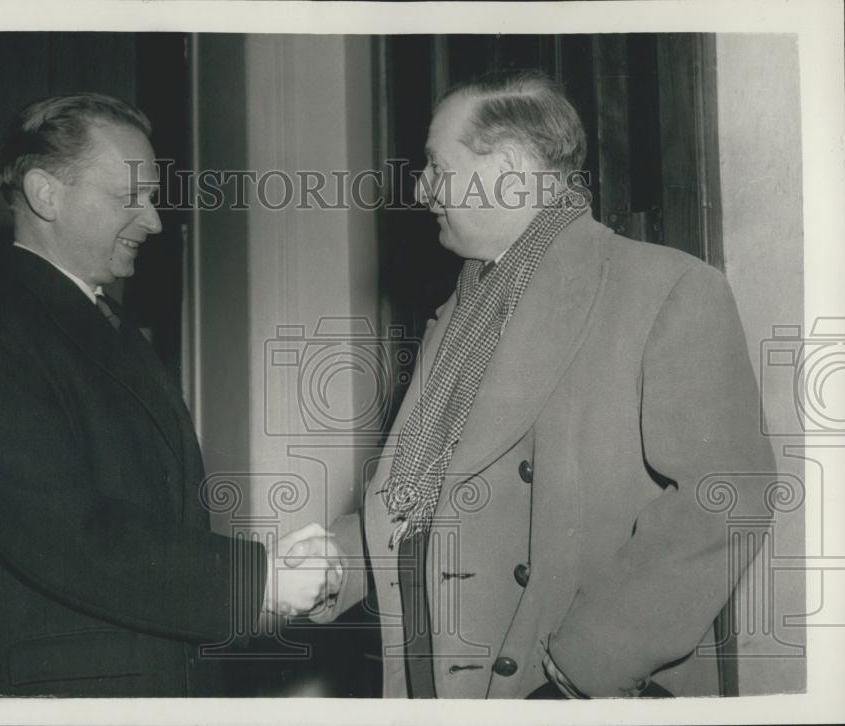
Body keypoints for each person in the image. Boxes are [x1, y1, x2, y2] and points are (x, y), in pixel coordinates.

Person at [293, 70, 775, 698]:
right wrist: (338, 563)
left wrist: (579, 672)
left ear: (512, 169)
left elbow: (727, 501)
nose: (420, 189)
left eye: (437, 167)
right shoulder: (460, 314)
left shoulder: (667, 290)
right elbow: (435, 505)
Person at [0, 93, 340, 696]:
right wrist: (257, 580)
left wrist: (264, 568)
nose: (155, 220)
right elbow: (57, 529)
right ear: (46, 194)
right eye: (130, 199)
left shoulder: (102, 323)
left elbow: (144, 521)